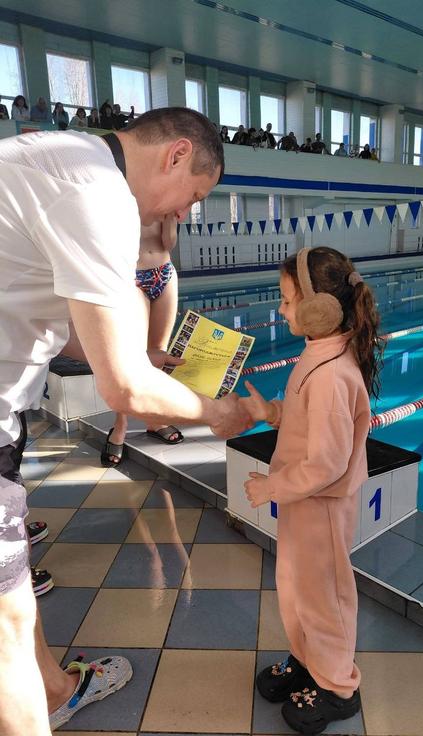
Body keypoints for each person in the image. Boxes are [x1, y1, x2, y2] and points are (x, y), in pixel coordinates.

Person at [0, 106, 252, 734]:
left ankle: (55, 688)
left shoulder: (59, 155)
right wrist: (218, 413)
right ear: (175, 154)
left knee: (12, 607)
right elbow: (125, 388)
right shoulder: (98, 197)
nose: (184, 213)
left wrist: (135, 353)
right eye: (194, 195)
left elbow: (56, 327)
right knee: (6, 627)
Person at [241, 246, 383, 734]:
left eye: (286, 300)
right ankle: (308, 663)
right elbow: (309, 426)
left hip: (320, 503)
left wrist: (272, 486)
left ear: (319, 307)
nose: (281, 310)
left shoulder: (332, 372)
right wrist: (273, 413)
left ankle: (338, 687)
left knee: (324, 598)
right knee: (297, 588)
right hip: (305, 501)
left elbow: (326, 463)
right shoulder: (320, 352)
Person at [102, 214, 183, 466]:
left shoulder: (168, 202)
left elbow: (168, 243)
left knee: (158, 353)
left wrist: (170, 217)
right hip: (132, 278)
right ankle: (120, 425)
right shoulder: (119, 199)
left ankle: (154, 419)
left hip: (164, 273)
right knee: (131, 357)